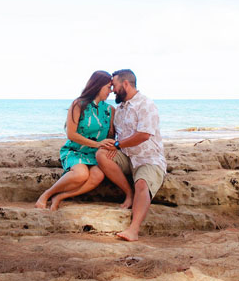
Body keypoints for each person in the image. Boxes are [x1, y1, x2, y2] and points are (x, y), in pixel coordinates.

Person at [96, 69, 166, 241]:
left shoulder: (146, 104)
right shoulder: (119, 109)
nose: (112, 90)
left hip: (148, 158)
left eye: (114, 85)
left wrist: (118, 145)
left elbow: (144, 135)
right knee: (101, 154)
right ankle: (129, 193)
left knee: (142, 183)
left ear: (125, 84)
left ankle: (133, 230)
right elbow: (116, 135)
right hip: (127, 157)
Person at [35, 70, 116, 211]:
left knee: (98, 175)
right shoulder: (78, 104)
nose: (111, 91)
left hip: (95, 154)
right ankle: (47, 194)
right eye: (108, 87)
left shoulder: (110, 110)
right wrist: (97, 144)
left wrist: (111, 146)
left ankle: (60, 197)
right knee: (81, 174)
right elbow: (71, 134)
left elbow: (111, 135)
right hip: (75, 150)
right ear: (98, 85)